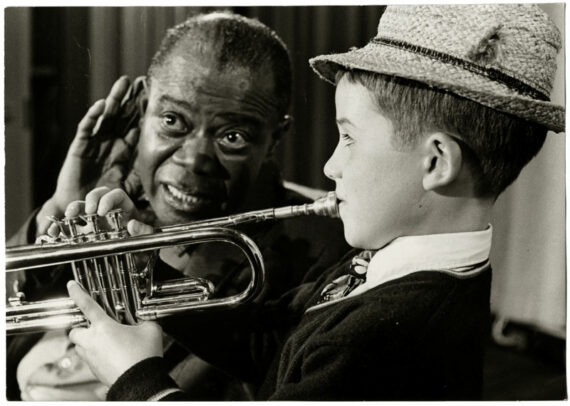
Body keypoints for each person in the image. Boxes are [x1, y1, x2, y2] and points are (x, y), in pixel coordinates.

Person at [57, 4, 567, 400]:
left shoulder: (382, 337)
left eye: (348, 139)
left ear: (436, 162)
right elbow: (269, 344)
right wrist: (145, 267)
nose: (330, 167)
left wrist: (137, 381)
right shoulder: (391, 261)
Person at [7, 12, 349, 401]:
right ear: (142, 105)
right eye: (172, 120)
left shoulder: (322, 251)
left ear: (273, 140)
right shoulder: (106, 207)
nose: (194, 160)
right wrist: (58, 208)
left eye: (233, 136)